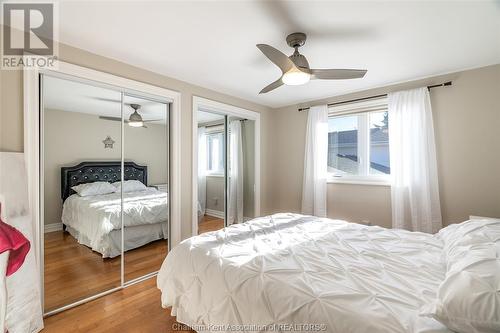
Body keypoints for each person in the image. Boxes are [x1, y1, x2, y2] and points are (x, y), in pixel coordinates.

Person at [0, 204, 30, 333]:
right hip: (2, 239)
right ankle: (1, 328)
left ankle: (1, 327)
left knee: (0, 282)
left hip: (2, 239)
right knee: (0, 282)